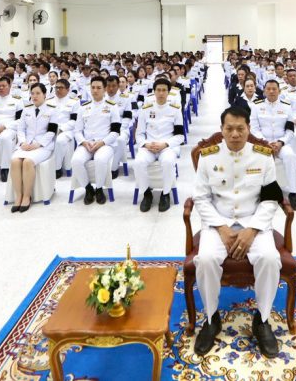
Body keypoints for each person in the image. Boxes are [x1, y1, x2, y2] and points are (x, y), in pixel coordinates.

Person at [192, 106, 282, 358]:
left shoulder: (263, 156)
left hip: (254, 222)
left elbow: (271, 199)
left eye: (240, 129)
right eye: (229, 128)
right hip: (217, 222)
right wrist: (220, 227)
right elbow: (201, 198)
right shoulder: (208, 156)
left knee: (269, 258)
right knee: (206, 259)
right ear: (221, 130)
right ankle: (211, 319)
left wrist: (252, 230)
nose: (234, 134)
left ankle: (262, 320)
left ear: (248, 128)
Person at [134, 78, 184, 213]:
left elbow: (180, 136)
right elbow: (139, 134)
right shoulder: (145, 109)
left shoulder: (175, 110)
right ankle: (146, 194)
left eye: (164, 90)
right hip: (149, 146)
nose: (161, 93)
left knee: (168, 162)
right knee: (138, 162)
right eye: (158, 90)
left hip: (167, 146)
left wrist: (165, 144)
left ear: (168, 92)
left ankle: (165, 194)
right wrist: (146, 144)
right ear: (154, 92)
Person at [250, 79, 296, 210]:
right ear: (264, 91)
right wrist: (265, 142)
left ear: (279, 91)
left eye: (274, 89)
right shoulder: (256, 106)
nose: (271, 91)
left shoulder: (286, 106)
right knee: (258, 158)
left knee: (291, 156)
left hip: (282, 143)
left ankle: (293, 193)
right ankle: (260, 192)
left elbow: (290, 130)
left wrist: (281, 142)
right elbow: (254, 129)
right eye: (268, 89)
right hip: (263, 143)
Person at [70, 76, 122, 205]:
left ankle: (99, 189)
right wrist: (83, 142)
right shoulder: (83, 107)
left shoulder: (112, 107)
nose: (95, 90)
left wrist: (102, 142)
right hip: (87, 144)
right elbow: (77, 131)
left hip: (105, 144)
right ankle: (88, 189)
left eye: (99, 88)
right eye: (93, 87)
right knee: (75, 161)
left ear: (104, 89)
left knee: (100, 160)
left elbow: (116, 132)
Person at [9, 83, 58, 212]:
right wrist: (22, 142)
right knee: (15, 161)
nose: (34, 96)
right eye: (32, 93)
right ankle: (18, 196)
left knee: (27, 162)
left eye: (38, 93)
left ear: (44, 95)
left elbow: (51, 131)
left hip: (43, 146)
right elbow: (20, 129)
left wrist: (38, 144)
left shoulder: (52, 110)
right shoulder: (27, 109)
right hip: (25, 144)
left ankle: (27, 196)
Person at [0, 76, 25, 182]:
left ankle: (5, 168)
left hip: (9, 128)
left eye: (4, 86)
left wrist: (5, 127)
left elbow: (20, 120)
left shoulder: (17, 100)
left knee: (4, 138)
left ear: (10, 86)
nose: (1, 88)